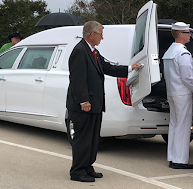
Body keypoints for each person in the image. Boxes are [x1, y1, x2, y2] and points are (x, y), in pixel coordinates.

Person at [66, 21, 141, 182]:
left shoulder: (93, 51)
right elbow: (77, 79)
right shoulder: (80, 51)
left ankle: (87, 166)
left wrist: (130, 68)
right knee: (83, 138)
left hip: (95, 104)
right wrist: (83, 100)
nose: (102, 37)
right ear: (91, 34)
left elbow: (107, 68)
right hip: (84, 105)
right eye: (100, 34)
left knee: (93, 138)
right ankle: (78, 171)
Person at [162, 22, 193, 169]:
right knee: (182, 126)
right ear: (181, 34)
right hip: (182, 93)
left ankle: (173, 156)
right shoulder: (182, 53)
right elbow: (187, 77)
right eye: (187, 32)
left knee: (175, 125)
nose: (189, 35)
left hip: (172, 92)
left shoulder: (169, 51)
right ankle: (180, 160)